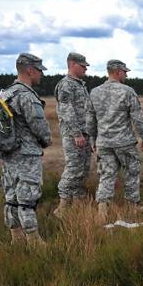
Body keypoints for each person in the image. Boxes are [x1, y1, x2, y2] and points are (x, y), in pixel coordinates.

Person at [87, 59, 143, 220]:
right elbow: (137, 117)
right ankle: (132, 208)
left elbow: (90, 120)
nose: (126, 75)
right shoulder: (127, 91)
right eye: (125, 72)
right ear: (117, 72)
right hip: (125, 142)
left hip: (104, 143)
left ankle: (102, 213)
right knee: (132, 172)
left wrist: (93, 139)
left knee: (106, 176)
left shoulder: (94, 92)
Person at [4, 53, 53, 245]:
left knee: (11, 197)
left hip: (9, 154)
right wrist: (46, 139)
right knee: (27, 198)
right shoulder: (26, 96)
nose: (42, 74)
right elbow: (39, 126)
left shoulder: (6, 93)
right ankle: (33, 241)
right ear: (30, 70)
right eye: (40, 70)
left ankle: (16, 237)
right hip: (26, 155)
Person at [53, 52, 92, 219]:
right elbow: (66, 111)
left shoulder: (80, 85)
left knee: (83, 169)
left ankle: (78, 202)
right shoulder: (66, 85)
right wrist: (76, 134)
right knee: (73, 168)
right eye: (82, 65)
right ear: (72, 64)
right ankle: (62, 206)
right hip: (74, 136)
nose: (85, 68)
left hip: (85, 134)